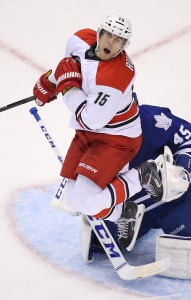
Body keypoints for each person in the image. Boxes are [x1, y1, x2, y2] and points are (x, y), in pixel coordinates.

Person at [33, 15, 164, 251]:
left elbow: (89, 118)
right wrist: (49, 82)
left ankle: (144, 175)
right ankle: (125, 212)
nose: (111, 43)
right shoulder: (80, 39)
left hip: (116, 139)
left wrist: (66, 88)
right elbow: (69, 65)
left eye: (119, 41)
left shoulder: (114, 78)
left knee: (87, 199)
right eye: (109, 36)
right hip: (88, 135)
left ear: (124, 47)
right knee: (74, 199)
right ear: (99, 33)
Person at [87, 99, 191, 255]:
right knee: (101, 246)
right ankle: (131, 219)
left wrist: (180, 171)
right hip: (129, 212)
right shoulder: (91, 136)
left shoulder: (152, 119)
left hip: (173, 202)